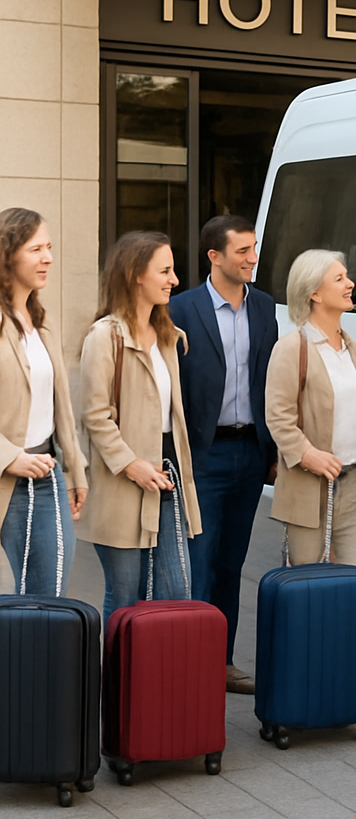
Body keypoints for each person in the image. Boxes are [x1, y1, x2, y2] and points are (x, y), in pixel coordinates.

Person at [167, 215, 278, 695]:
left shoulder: (266, 307)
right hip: (202, 456)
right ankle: (190, 659)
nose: (252, 258)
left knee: (232, 563)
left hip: (250, 453)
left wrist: (270, 451)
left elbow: (268, 380)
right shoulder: (180, 309)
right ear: (214, 256)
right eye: (242, 251)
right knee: (199, 560)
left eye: (254, 248)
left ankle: (223, 661)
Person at [78, 231, 202, 625]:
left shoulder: (168, 337)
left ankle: (158, 683)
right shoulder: (105, 337)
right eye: (164, 270)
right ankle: (117, 685)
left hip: (167, 477)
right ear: (135, 274)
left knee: (176, 592)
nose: (175, 280)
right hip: (123, 482)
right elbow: (96, 416)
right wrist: (131, 465)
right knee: (126, 593)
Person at [265, 249, 356, 570]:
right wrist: (308, 455)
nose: (350, 284)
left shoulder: (353, 349)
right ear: (315, 293)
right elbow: (278, 418)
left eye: (346, 277)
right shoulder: (292, 348)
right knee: (309, 589)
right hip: (309, 489)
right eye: (339, 278)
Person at [0, 207, 88, 597]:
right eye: (36, 249)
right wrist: (8, 456)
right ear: (8, 255)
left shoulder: (41, 324)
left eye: (49, 247)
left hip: (47, 473)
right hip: (9, 476)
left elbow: (61, 413)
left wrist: (76, 472)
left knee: (48, 595)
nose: (48, 258)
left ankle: (36, 661)